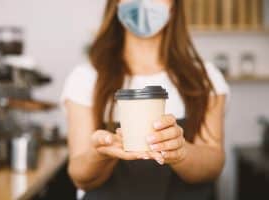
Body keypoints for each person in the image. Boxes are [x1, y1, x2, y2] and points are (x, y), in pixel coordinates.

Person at [61, 0, 230, 199]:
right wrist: (100, 154)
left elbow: (213, 164)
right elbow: (79, 176)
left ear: (174, 6)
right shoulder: (86, 79)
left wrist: (181, 152)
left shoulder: (204, 78)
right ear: (115, 4)